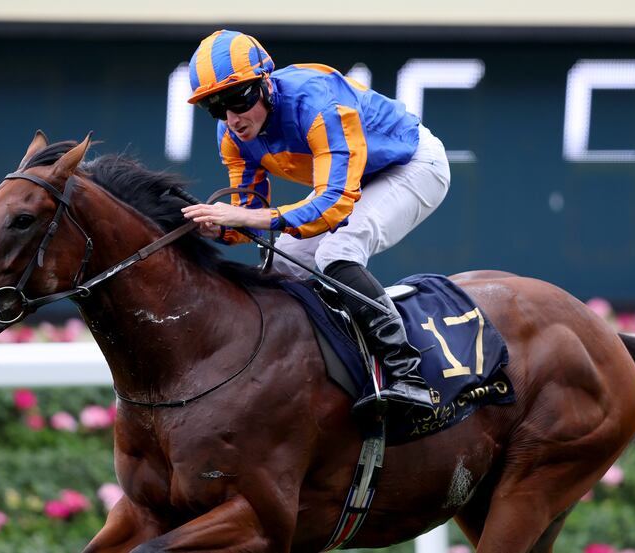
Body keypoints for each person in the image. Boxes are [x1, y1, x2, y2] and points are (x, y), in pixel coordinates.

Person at [181, 30, 450, 415]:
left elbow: (333, 206)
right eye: (215, 107)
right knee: (283, 258)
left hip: (410, 165)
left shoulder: (317, 102)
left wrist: (246, 217)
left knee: (338, 251)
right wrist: (221, 228)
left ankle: (408, 375)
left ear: (266, 84)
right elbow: (250, 221)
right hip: (355, 178)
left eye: (238, 99)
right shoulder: (231, 135)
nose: (232, 119)